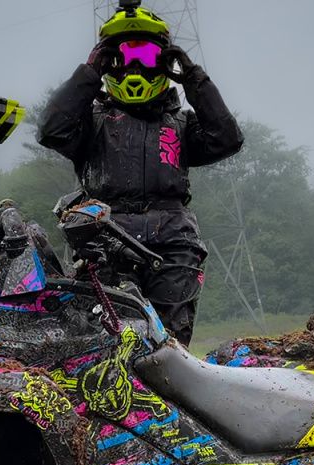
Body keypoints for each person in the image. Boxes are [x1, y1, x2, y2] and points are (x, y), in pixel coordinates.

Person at [37, 5, 243, 346]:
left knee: (169, 349)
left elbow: (227, 138)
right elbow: (51, 130)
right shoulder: (91, 123)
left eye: (146, 55)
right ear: (108, 61)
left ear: (164, 61)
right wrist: (88, 74)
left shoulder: (181, 123)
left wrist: (193, 78)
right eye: (124, 56)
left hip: (174, 247)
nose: (134, 65)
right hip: (104, 243)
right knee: (101, 345)